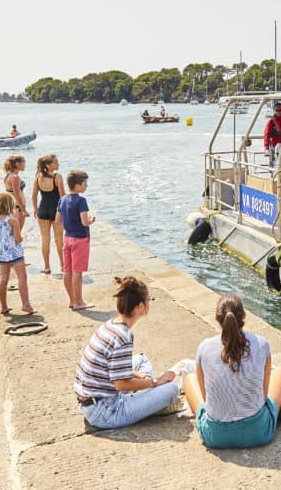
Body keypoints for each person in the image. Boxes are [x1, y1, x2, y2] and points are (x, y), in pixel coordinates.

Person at [74, 276, 189, 430]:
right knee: (172, 390)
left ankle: (145, 398)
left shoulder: (111, 325)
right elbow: (121, 384)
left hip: (91, 401)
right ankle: (151, 402)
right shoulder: (123, 337)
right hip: (106, 411)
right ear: (140, 306)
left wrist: (147, 379)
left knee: (142, 360)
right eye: (148, 300)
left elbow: (115, 371)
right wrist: (155, 382)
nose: (149, 303)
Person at [184, 294, 281, 449]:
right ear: (244, 315)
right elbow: (263, 395)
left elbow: (206, 399)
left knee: (189, 379)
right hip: (257, 432)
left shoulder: (203, 348)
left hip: (215, 436)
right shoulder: (262, 344)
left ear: (217, 318)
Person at [0, 192, 33, 315]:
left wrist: (0, 240)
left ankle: (4, 307)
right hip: (15, 254)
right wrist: (21, 238)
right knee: (22, 277)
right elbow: (18, 239)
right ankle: (26, 305)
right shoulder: (12, 221)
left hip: (1, 255)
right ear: (10, 205)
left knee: (3, 279)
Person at [57, 169, 95, 309]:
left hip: (67, 238)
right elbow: (84, 222)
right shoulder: (81, 201)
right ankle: (79, 302)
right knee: (77, 272)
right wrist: (91, 220)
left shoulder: (62, 199)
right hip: (80, 239)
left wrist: (69, 225)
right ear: (77, 185)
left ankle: (72, 301)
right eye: (85, 183)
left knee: (68, 271)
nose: (86, 186)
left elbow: (57, 220)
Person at [33, 154, 66, 275]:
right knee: (59, 240)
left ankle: (47, 267)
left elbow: (34, 196)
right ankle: (63, 266)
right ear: (47, 165)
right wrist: (64, 212)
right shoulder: (57, 177)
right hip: (56, 211)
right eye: (55, 162)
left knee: (45, 240)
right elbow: (63, 197)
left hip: (42, 210)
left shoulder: (38, 177)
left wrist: (35, 210)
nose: (58, 164)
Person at [3, 155, 29, 225]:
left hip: (12, 207)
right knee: (18, 230)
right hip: (18, 208)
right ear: (18, 164)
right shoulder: (15, 177)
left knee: (13, 230)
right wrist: (23, 210)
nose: (25, 165)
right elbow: (16, 194)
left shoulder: (8, 175)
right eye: (24, 162)